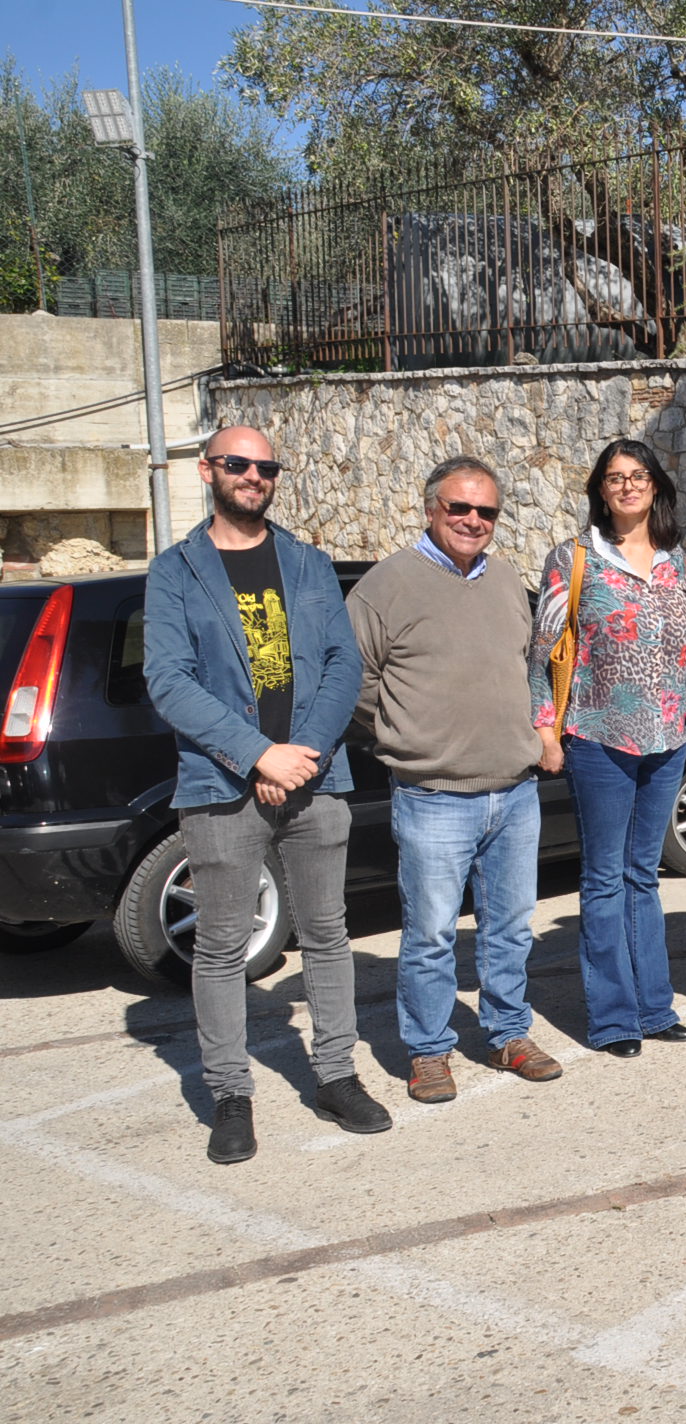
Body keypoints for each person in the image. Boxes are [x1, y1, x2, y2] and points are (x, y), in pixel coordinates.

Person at [142, 426, 389, 1164]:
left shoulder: (308, 563)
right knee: (221, 945)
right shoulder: (175, 571)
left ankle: (336, 1076)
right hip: (221, 785)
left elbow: (344, 665)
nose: (254, 475)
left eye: (267, 466)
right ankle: (230, 1095)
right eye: (238, 464)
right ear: (208, 471)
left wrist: (300, 754)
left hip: (315, 778)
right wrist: (258, 755)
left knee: (327, 933)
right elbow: (168, 681)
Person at [349, 455, 563, 1103]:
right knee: (432, 934)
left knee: (510, 928)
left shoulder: (504, 578)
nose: (473, 519)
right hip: (433, 794)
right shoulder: (385, 586)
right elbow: (354, 680)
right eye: (459, 506)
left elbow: (529, 666)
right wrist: (407, 733)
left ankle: (507, 1033)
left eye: (486, 510)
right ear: (430, 508)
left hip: (514, 790)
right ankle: (429, 1049)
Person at [530, 439, 686, 1059]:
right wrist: (545, 730)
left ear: (655, 486)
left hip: (668, 738)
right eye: (615, 477)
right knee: (604, 878)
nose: (628, 486)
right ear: (600, 491)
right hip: (599, 735)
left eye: (638, 475)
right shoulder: (573, 558)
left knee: (643, 876)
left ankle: (655, 1008)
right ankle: (613, 1018)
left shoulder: (679, 564)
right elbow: (542, 650)